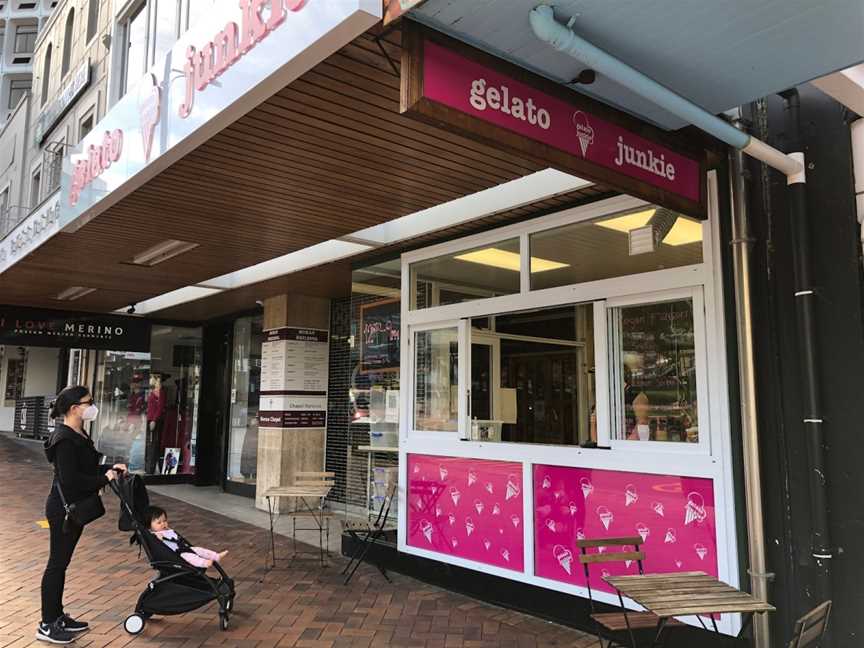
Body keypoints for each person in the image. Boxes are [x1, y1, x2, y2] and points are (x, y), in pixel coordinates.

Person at [39, 386, 126, 644]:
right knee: (56, 564)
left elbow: (86, 466)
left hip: (74, 507)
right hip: (63, 509)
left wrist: (110, 468)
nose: (93, 406)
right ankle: (46, 624)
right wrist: (103, 478)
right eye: (89, 402)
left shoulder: (78, 432)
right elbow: (70, 479)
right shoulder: (64, 438)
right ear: (75, 408)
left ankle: (57, 616)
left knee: (61, 564)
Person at [146, 506, 228, 568]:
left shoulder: (166, 530)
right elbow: (160, 543)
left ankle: (216, 556)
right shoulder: (155, 535)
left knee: (199, 550)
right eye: (159, 522)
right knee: (190, 557)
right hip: (177, 554)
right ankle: (204, 563)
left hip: (183, 548)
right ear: (150, 526)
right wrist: (159, 538)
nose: (163, 524)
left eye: (165, 521)